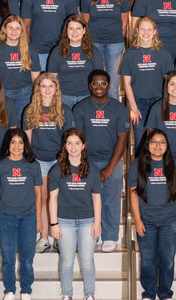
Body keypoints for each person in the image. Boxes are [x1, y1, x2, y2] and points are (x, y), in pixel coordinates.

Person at [73, 70, 130, 252]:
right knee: (88, 200)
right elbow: (78, 139)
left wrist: (109, 168)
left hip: (112, 160)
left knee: (110, 200)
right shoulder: (80, 108)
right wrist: (86, 164)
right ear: (90, 86)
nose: (99, 87)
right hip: (87, 161)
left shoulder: (119, 108)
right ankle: (93, 234)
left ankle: (110, 236)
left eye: (103, 83)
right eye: (95, 83)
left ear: (109, 85)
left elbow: (123, 138)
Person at [128, 129, 176, 300]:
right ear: (148, 145)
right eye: (154, 142)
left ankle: (165, 293)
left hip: (170, 220)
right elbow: (133, 194)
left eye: (162, 142)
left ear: (167, 146)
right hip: (146, 220)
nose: (158, 145)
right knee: (147, 260)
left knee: (167, 260)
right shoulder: (137, 164)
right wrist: (137, 220)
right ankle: (149, 293)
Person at [22, 73, 75, 253]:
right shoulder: (30, 110)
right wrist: (30, 161)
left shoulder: (64, 110)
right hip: (39, 160)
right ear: (38, 89)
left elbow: (69, 138)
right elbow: (27, 139)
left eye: (50, 86)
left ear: (56, 89)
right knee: (44, 199)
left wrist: (64, 160)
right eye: (43, 86)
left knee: (60, 198)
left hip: (59, 160)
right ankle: (44, 238)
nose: (47, 90)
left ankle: (59, 237)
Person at [48, 129, 102, 300]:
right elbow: (53, 198)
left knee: (87, 261)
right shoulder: (56, 170)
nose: (73, 147)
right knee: (67, 261)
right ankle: (67, 295)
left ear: (83, 146)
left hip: (88, 221)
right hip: (65, 221)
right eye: (69, 143)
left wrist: (97, 223)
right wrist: (54, 223)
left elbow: (97, 199)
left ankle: (89, 295)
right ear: (64, 146)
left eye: (77, 143)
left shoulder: (92, 170)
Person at [0, 129, 42, 300]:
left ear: (25, 145)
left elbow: (38, 194)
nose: (17, 146)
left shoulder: (33, 165)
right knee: (8, 258)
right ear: (8, 144)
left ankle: (26, 290)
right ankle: (9, 290)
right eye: (13, 142)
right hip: (6, 217)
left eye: (20, 142)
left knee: (27, 258)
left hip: (28, 216)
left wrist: (39, 219)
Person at [120, 16, 174, 148]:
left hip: (159, 101)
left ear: (155, 31)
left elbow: (170, 82)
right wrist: (133, 107)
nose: (145, 33)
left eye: (149, 29)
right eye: (142, 29)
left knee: (161, 140)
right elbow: (126, 83)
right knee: (141, 142)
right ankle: (142, 168)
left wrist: (167, 105)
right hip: (138, 102)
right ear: (137, 31)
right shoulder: (129, 54)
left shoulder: (164, 53)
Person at [81, 0, 130, 101]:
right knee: (95, 83)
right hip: (94, 43)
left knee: (113, 86)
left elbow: (124, 23)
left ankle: (114, 119)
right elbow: (85, 22)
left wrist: (116, 38)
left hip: (115, 43)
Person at [0, 15, 40, 119]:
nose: (14, 31)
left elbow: (36, 78)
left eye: (17, 28)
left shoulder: (30, 49)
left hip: (25, 93)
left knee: (23, 123)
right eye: (10, 27)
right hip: (3, 93)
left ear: (22, 31)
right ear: (5, 30)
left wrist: (37, 97)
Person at [47, 15, 104, 108]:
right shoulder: (57, 51)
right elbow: (51, 79)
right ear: (66, 30)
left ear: (84, 30)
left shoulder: (93, 51)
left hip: (87, 96)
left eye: (78, 28)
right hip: (63, 97)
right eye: (71, 28)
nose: (74, 32)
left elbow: (99, 78)